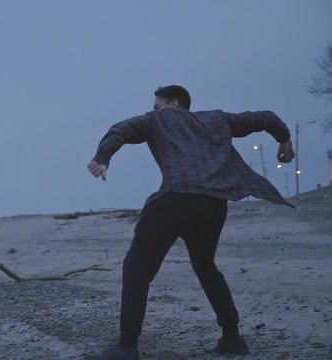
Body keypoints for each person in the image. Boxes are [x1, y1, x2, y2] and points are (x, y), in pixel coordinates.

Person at [86, 85, 295, 360]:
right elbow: (266, 118)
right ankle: (232, 337)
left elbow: (121, 129)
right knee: (206, 266)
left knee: (137, 266)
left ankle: (126, 348)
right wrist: (284, 140)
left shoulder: (158, 120)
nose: (153, 111)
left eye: (157, 106)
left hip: (176, 200)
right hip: (212, 204)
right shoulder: (217, 119)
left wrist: (103, 157)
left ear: (174, 104)